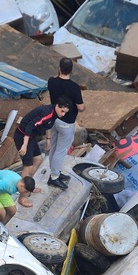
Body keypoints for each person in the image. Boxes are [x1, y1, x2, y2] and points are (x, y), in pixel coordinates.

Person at [13, 96, 73, 205]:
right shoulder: (47, 113)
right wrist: (24, 145)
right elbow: (30, 126)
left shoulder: (54, 113)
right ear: (57, 106)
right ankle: (22, 196)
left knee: (38, 159)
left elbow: (48, 125)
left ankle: (29, 186)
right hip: (23, 135)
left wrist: (48, 139)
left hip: (31, 137)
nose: (63, 114)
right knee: (28, 165)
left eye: (65, 112)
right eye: (62, 111)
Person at [47, 58, 85, 189]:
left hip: (53, 119)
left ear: (59, 68)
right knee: (61, 150)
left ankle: (54, 172)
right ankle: (54, 177)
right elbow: (80, 107)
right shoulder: (74, 87)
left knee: (53, 147)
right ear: (71, 70)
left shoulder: (51, 82)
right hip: (66, 122)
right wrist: (83, 107)